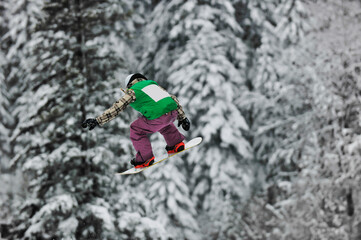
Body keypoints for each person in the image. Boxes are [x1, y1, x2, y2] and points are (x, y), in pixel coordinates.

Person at [82, 73, 190, 168]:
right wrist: (183, 118)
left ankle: (145, 158)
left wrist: (98, 120)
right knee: (164, 123)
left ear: (129, 84)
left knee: (136, 128)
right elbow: (172, 99)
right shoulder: (153, 85)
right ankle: (176, 143)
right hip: (172, 113)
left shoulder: (133, 90)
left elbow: (118, 107)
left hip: (157, 117)